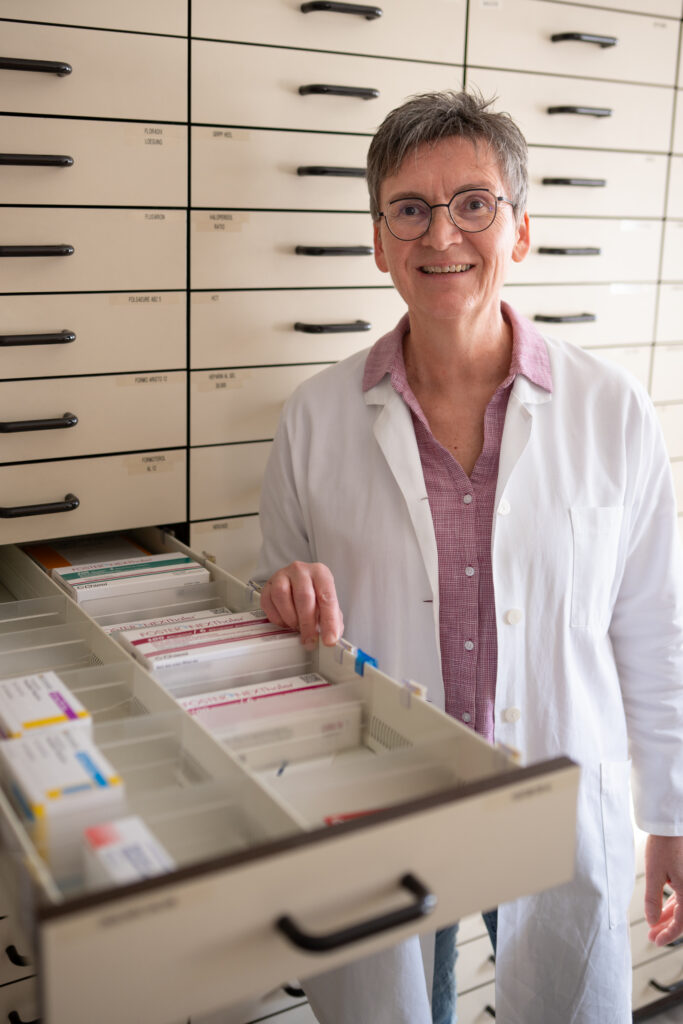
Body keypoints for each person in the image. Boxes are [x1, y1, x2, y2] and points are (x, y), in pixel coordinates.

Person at [254, 89, 683, 1024]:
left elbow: (653, 629)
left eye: (473, 204)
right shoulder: (314, 418)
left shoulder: (610, 410)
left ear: (519, 231)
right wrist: (279, 595)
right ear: (379, 242)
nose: (440, 233)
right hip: (384, 800)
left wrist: (671, 814)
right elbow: (282, 619)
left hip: (552, 795)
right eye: (409, 208)